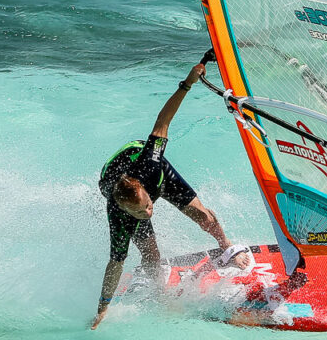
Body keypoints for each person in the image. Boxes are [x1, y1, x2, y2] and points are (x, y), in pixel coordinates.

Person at [91, 54, 250, 329]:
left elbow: (162, 121)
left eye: (149, 206)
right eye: (142, 212)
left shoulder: (150, 165)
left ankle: (226, 246)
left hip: (152, 171)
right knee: (151, 254)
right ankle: (160, 293)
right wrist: (103, 307)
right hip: (117, 181)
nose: (150, 212)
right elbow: (115, 265)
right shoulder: (120, 217)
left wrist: (187, 83)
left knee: (204, 218)